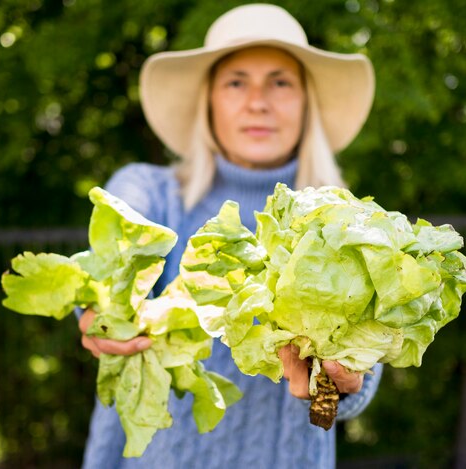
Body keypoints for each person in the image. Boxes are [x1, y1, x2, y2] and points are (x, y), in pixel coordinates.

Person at [78, 4, 382, 468]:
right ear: (209, 101)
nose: (257, 100)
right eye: (236, 82)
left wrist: (337, 383)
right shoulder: (154, 195)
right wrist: (100, 306)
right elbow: (114, 241)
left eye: (280, 82)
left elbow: (359, 380)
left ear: (306, 103)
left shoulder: (343, 226)